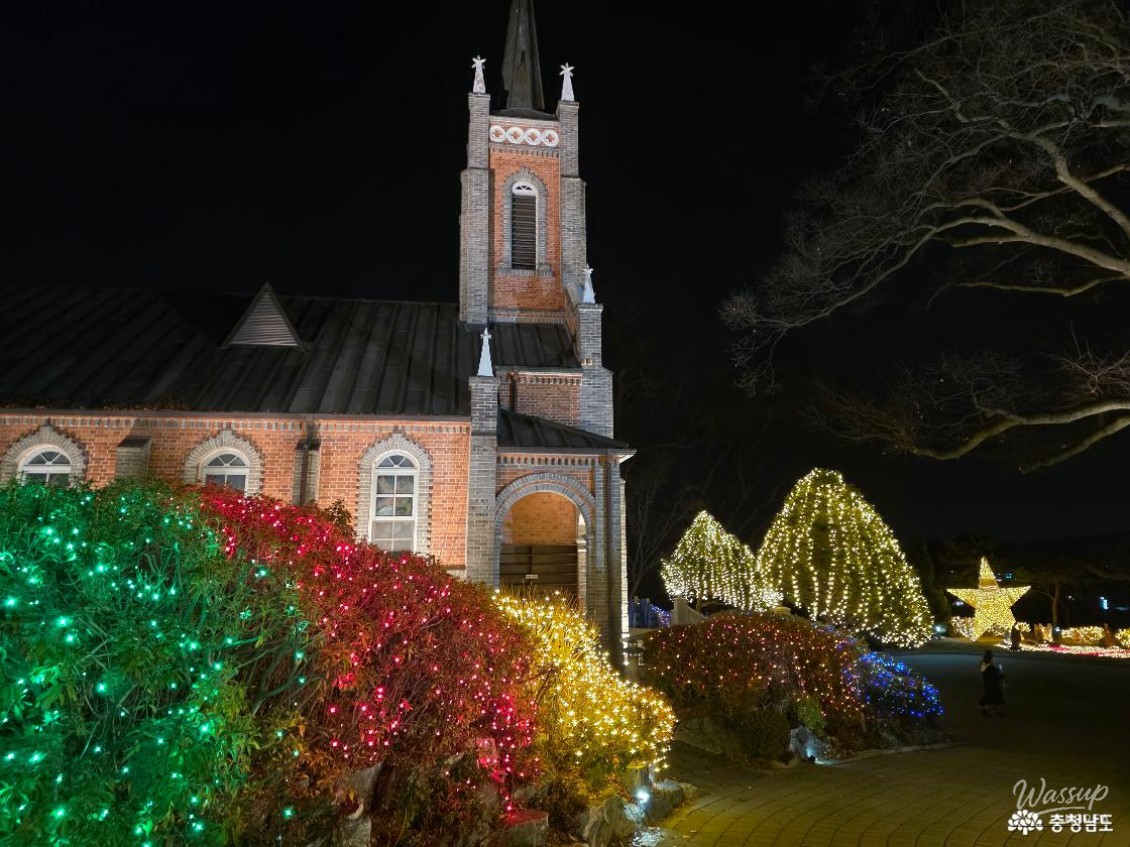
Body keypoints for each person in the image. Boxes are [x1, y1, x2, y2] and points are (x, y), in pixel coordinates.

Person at [979, 649, 1006, 717]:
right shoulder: (988, 666)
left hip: (988, 682)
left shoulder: (984, 664)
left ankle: (989, 710)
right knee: (995, 697)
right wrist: (1000, 673)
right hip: (992, 683)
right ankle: (993, 710)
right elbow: (993, 674)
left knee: (990, 696)